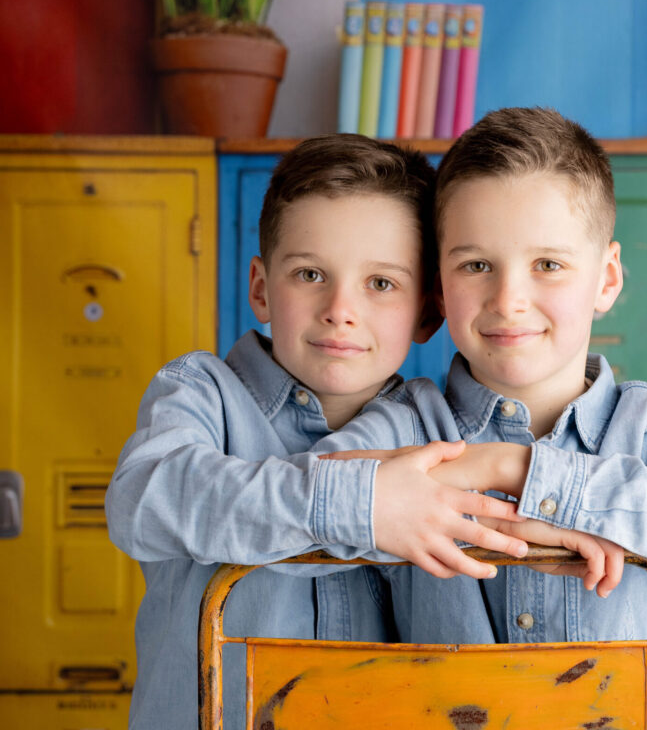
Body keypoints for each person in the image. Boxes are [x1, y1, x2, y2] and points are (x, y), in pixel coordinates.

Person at [306, 107, 647, 726]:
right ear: (440, 286)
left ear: (605, 279)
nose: (508, 300)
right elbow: (316, 489)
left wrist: (516, 470)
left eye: (547, 264)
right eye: (476, 265)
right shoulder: (406, 420)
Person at [104, 134, 534, 729]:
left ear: (428, 312)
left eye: (381, 283)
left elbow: (522, 574)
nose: (340, 309)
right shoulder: (199, 392)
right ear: (260, 287)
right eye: (310, 274)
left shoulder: (437, 430)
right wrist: (360, 504)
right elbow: (142, 501)